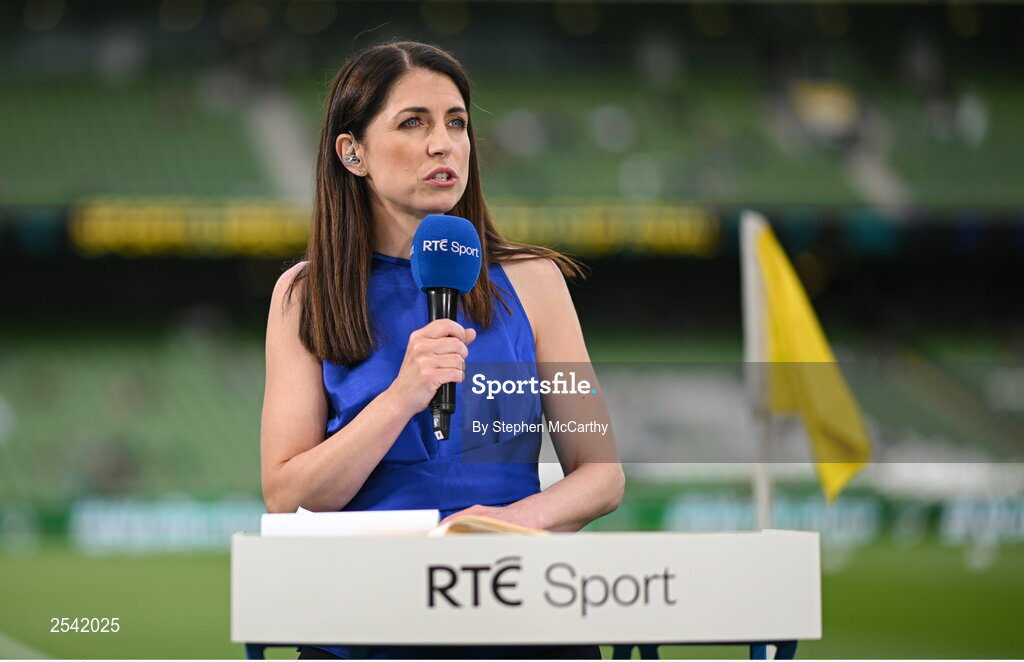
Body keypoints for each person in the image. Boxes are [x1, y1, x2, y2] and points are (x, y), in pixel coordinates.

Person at [260, 40, 624, 660]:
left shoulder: (536, 282)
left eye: (456, 122)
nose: (443, 144)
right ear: (352, 153)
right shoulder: (303, 293)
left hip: (518, 609)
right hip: (365, 620)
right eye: (413, 123)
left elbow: (602, 472)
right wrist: (403, 395)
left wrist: (512, 523)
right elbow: (287, 492)